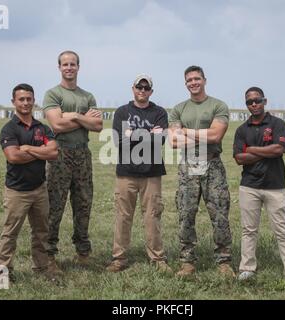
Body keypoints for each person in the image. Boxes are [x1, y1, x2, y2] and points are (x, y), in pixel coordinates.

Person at [233, 86, 285, 289]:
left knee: (282, 230)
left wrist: (253, 150)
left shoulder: (277, 124)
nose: (254, 104)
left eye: (257, 100)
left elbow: (279, 149)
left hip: (275, 185)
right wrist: (266, 151)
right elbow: (239, 158)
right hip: (249, 186)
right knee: (248, 230)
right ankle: (247, 268)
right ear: (246, 104)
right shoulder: (241, 130)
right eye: (249, 102)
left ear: (265, 101)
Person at [168, 66, 235, 277]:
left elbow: (216, 136)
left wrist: (186, 131)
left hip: (212, 165)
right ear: (185, 83)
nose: (193, 82)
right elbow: (175, 141)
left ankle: (224, 261)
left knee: (220, 214)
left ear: (204, 80)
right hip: (188, 166)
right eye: (189, 80)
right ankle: (187, 262)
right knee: (186, 213)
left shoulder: (218, 105)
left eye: (197, 78)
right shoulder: (178, 109)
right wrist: (202, 134)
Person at [43, 51, 103, 270]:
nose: (69, 67)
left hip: (82, 154)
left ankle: (83, 252)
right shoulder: (53, 94)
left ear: (79, 66)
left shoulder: (87, 96)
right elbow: (56, 125)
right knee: (55, 205)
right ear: (59, 67)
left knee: (83, 203)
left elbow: (97, 127)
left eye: (73, 64)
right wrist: (84, 119)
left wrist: (74, 116)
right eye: (65, 64)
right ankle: (48, 255)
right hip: (60, 154)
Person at [106, 74, 172, 273]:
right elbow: (119, 142)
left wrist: (132, 134)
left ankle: (157, 258)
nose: (142, 90)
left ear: (151, 91)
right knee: (123, 216)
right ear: (132, 88)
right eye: (139, 87)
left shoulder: (159, 112)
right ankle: (119, 258)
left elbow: (160, 140)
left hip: (151, 173)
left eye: (146, 88)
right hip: (126, 173)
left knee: (152, 215)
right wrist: (148, 133)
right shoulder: (122, 112)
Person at [0, 83, 60, 282]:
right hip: (17, 191)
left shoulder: (43, 128)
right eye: (21, 99)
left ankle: (41, 268)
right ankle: (3, 274)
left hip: (39, 189)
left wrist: (28, 149)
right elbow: (13, 157)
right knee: (10, 233)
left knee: (41, 232)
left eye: (29, 99)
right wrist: (41, 152)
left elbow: (54, 153)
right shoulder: (9, 129)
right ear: (14, 102)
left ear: (34, 100)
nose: (25, 102)